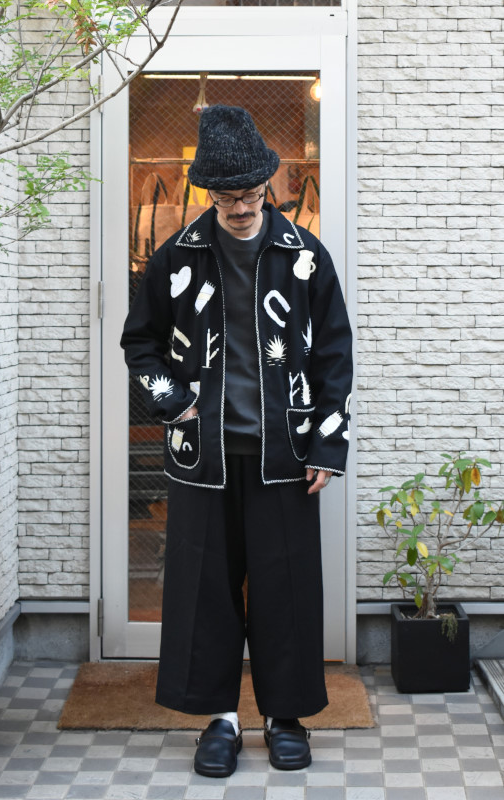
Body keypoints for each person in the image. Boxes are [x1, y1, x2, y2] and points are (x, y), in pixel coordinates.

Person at [120, 105, 353, 778]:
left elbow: (334, 353)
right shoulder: (177, 256)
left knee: (286, 589)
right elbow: (140, 343)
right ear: (209, 194)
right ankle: (218, 718)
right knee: (204, 589)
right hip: (202, 455)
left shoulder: (305, 257)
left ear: (268, 186)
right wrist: (176, 403)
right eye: (228, 198)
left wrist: (328, 444)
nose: (242, 208)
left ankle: (285, 717)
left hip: (286, 454)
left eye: (251, 194)